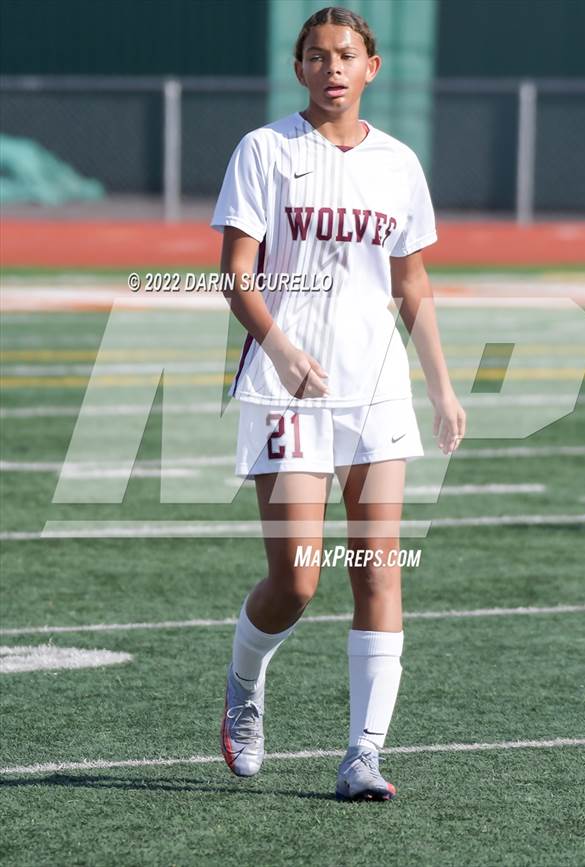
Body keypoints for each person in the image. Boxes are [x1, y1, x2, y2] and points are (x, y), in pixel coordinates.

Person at [211, 5, 465, 802]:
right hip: (283, 390)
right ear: (299, 69)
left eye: (346, 56)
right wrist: (282, 349)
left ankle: (363, 754)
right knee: (298, 579)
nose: (332, 69)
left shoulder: (398, 164)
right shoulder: (265, 151)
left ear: (372, 68)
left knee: (378, 571)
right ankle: (244, 682)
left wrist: (441, 385)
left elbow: (411, 283)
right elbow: (236, 276)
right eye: (317, 56)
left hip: (375, 389)